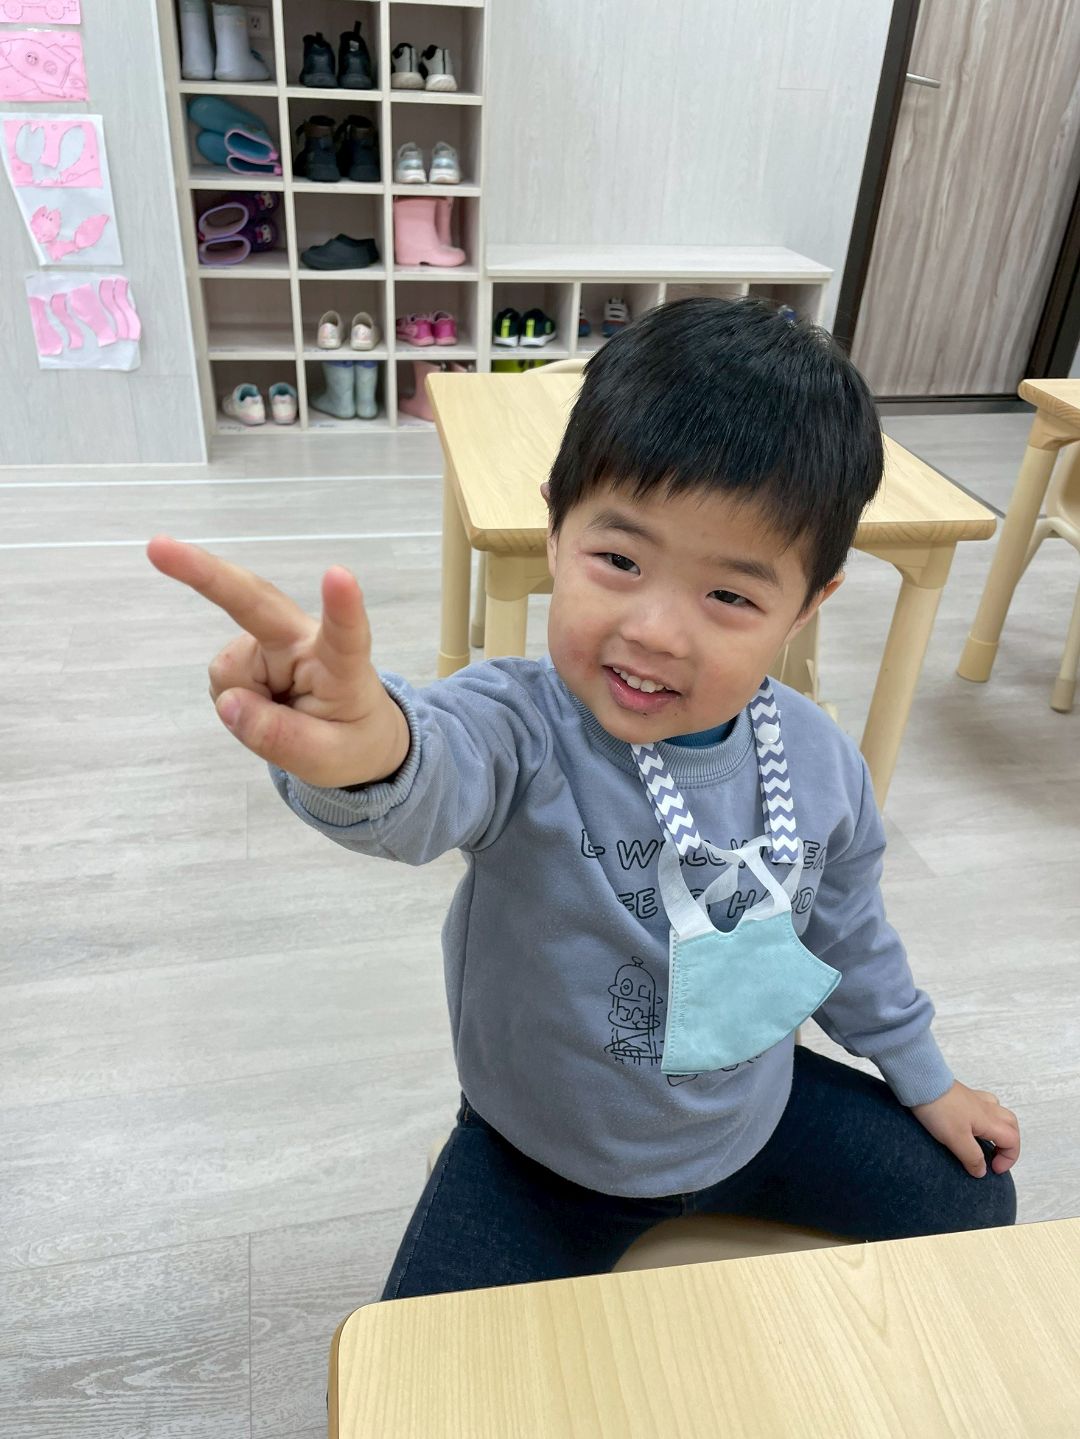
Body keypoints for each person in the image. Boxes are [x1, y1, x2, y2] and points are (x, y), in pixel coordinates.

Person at [147, 297, 1019, 1302]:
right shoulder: (522, 725)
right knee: (429, 1369)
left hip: (755, 1116)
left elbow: (849, 934)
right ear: (557, 534)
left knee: (976, 1197)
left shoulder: (820, 761)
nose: (655, 630)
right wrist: (367, 749)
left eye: (730, 596)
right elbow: (431, 769)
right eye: (620, 561)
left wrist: (923, 1072)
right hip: (540, 1158)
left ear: (806, 606)